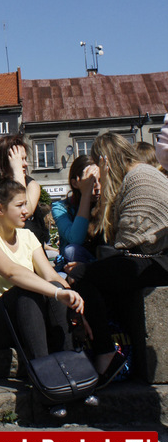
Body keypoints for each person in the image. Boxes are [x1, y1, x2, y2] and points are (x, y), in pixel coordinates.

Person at [70, 133, 168, 383]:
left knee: (82, 275)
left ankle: (105, 354)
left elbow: (126, 243)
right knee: (92, 271)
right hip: (153, 258)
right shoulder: (141, 173)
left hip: (155, 260)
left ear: (105, 159)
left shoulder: (138, 178)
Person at [0, 179, 84, 376]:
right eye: (19, 205)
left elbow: (50, 275)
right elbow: (12, 272)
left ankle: (73, 371)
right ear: (0, 209)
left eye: (26, 204)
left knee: (53, 287)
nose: (25, 211)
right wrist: (57, 293)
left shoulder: (27, 236)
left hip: (24, 316)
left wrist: (73, 302)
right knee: (26, 291)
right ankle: (45, 377)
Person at [0, 135, 47, 245]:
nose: (25, 164)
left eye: (25, 159)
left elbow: (26, 211)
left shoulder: (32, 185)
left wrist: (18, 173)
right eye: (20, 159)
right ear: (4, 161)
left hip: (27, 248)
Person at [51, 155, 101, 266]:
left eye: (101, 180)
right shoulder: (61, 208)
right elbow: (75, 239)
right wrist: (86, 196)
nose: (98, 186)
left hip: (100, 263)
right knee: (71, 250)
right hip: (70, 263)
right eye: (91, 181)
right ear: (75, 183)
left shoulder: (104, 203)